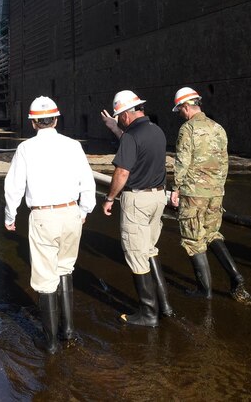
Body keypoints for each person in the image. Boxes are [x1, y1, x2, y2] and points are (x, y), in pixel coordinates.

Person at [4, 96, 97, 353]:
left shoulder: (25, 149)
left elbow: (14, 187)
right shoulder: (73, 145)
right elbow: (87, 182)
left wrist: (10, 216)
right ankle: (68, 330)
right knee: (65, 268)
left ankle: (51, 342)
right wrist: (84, 209)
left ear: (33, 123)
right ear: (56, 119)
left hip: (44, 216)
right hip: (71, 212)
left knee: (46, 278)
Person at [169, 87, 251, 302]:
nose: (180, 113)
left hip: (193, 193)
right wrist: (219, 188)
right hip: (216, 192)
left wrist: (176, 190)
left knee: (193, 239)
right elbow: (224, 162)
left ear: (186, 106)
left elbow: (182, 163)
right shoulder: (218, 128)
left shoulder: (187, 129)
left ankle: (204, 291)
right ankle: (235, 276)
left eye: (180, 110)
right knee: (212, 233)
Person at [100, 90, 174, 326]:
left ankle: (148, 314)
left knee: (135, 254)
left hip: (137, 200)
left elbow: (122, 172)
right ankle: (165, 307)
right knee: (150, 250)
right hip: (157, 197)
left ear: (124, 115)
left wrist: (110, 197)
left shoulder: (131, 137)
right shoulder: (156, 130)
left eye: (119, 117)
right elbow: (135, 144)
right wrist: (114, 127)